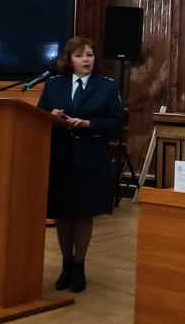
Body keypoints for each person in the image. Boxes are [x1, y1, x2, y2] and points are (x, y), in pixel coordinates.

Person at [37, 36, 124, 293]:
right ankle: (66, 264)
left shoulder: (107, 86)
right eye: (79, 55)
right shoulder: (54, 84)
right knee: (64, 215)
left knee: (84, 214)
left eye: (89, 55)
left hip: (90, 159)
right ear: (69, 60)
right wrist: (51, 117)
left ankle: (79, 265)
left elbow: (117, 121)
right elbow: (39, 117)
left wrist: (88, 124)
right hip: (61, 159)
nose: (86, 60)